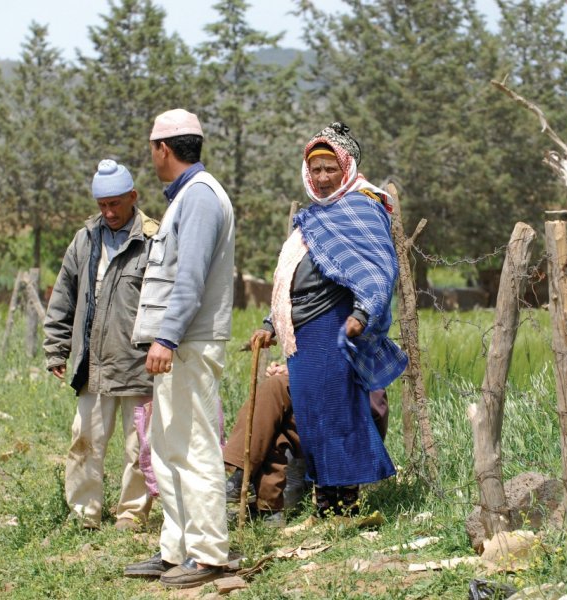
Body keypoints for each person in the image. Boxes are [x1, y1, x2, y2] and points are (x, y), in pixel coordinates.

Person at [250, 121, 407, 518]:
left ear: (346, 168)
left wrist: (360, 313)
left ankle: (345, 507)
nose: (321, 178)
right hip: (302, 333)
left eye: (329, 170)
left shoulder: (361, 207)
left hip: (332, 326)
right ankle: (326, 505)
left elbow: (378, 270)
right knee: (312, 419)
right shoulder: (311, 218)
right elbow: (293, 277)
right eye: (315, 170)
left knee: (338, 415)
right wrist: (271, 324)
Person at [123, 108, 235, 590]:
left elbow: (188, 278)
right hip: (178, 343)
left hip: (188, 342)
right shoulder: (188, 197)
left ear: (162, 149)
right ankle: (177, 549)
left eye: (152, 149)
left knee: (193, 447)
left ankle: (208, 552)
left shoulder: (201, 199)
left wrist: (166, 336)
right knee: (167, 447)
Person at [43, 159, 158, 532]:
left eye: (115, 204)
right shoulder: (85, 239)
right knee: (85, 438)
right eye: (102, 205)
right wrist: (57, 348)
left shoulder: (154, 239)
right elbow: (64, 295)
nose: (108, 212)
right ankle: (83, 514)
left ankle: (132, 514)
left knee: (138, 444)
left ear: (132, 197)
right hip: (92, 363)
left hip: (139, 363)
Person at [222, 362, 390, 525]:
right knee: (277, 415)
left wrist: (299, 369)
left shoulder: (354, 338)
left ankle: (251, 486)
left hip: (352, 419)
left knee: (275, 389)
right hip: (321, 408)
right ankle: (267, 508)